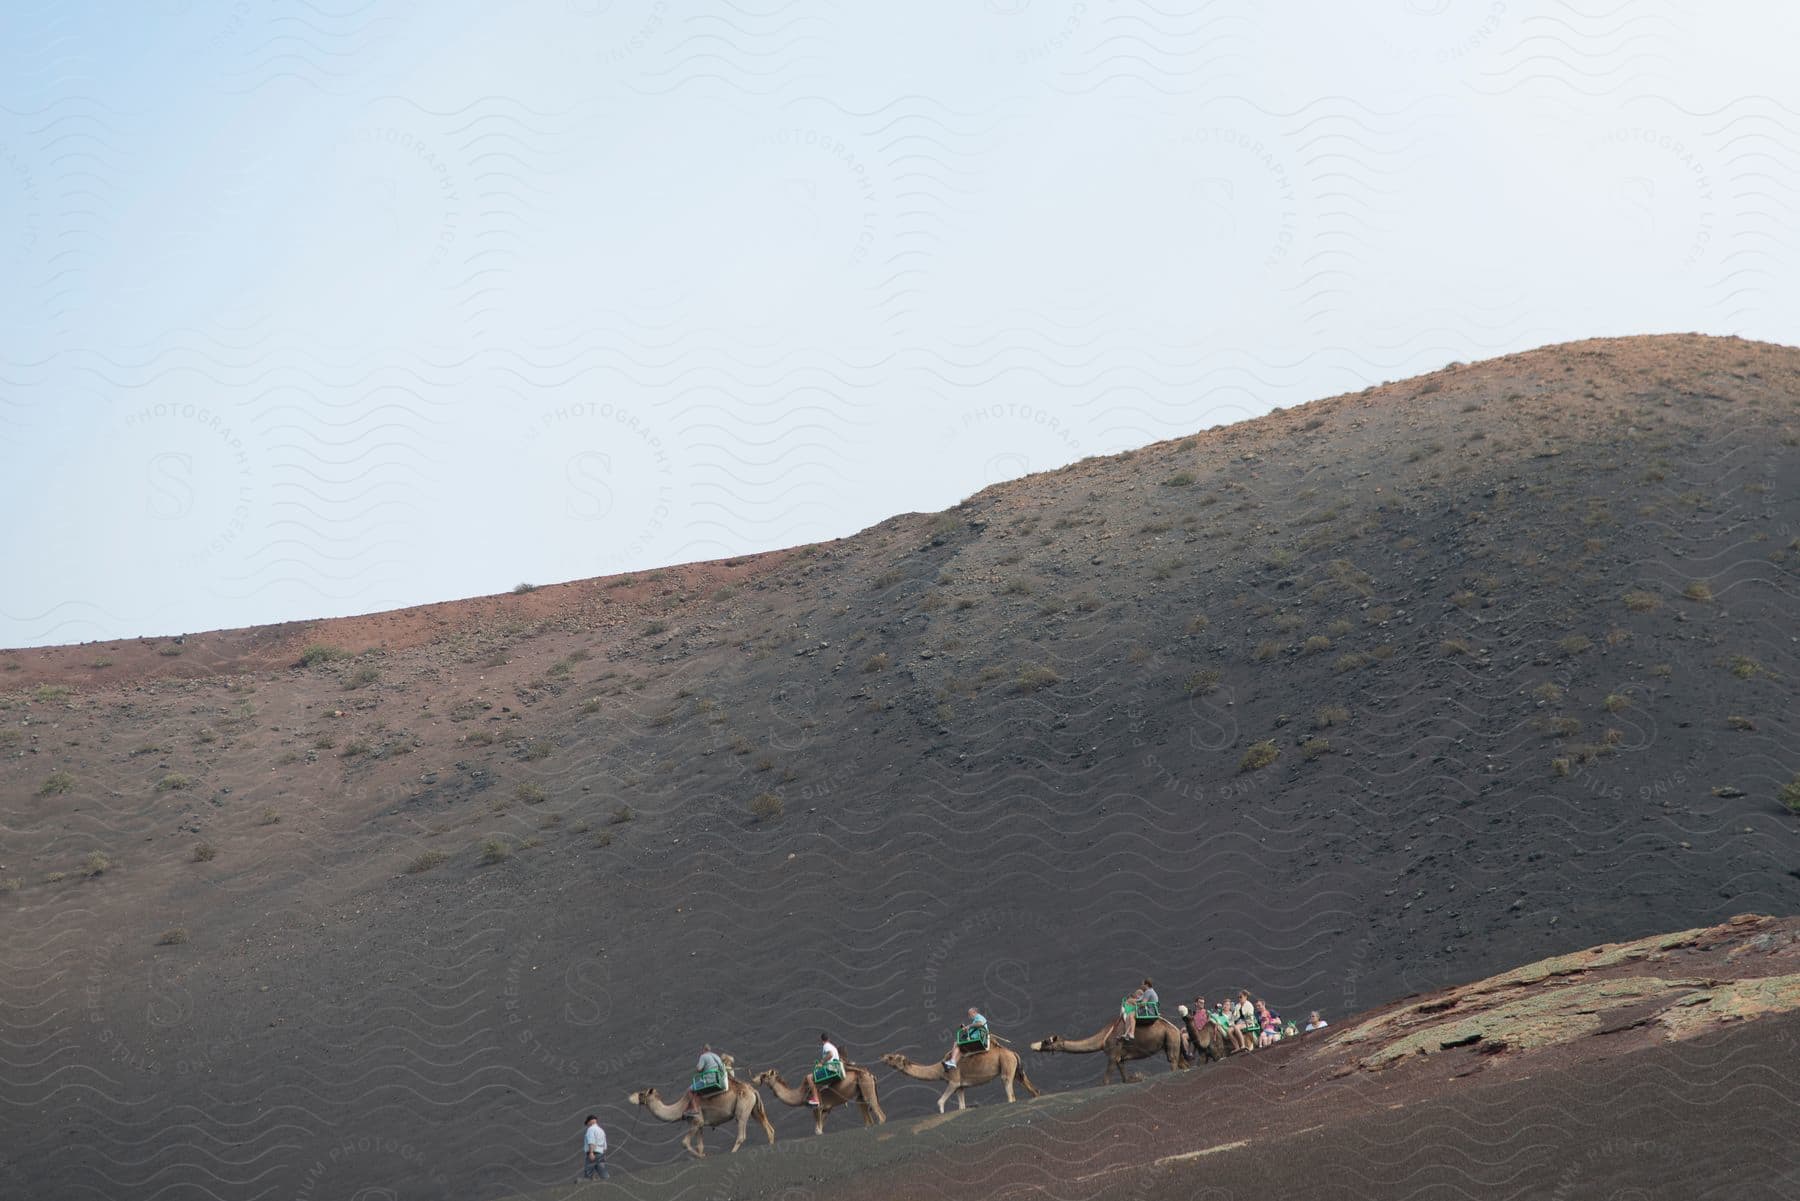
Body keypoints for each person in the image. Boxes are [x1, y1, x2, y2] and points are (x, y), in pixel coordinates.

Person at [686, 1044, 724, 1116]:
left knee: (690, 1090)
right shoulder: (716, 1056)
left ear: (704, 1050)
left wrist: (697, 1067)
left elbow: (699, 1069)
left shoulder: (703, 1056)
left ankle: (695, 1109)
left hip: (708, 1081)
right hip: (717, 1080)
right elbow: (722, 1069)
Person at [807, 1032, 842, 1107]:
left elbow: (830, 1054)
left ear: (822, 1040)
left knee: (809, 1077)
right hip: (836, 1069)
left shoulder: (826, 1046)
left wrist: (821, 1063)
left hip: (830, 1070)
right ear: (829, 1039)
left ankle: (815, 1099)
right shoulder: (833, 1047)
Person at [581, 1115, 609, 1181]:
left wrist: (591, 1153)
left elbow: (591, 1141)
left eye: (587, 1123)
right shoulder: (601, 1130)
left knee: (588, 1173)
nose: (587, 1125)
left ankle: (587, 1187)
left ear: (591, 1121)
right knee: (603, 1173)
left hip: (593, 1154)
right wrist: (604, 1155)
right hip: (600, 1154)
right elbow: (605, 1145)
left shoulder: (591, 1129)